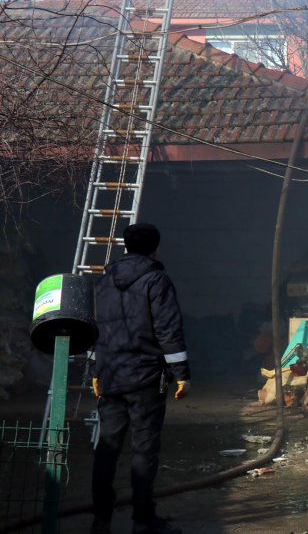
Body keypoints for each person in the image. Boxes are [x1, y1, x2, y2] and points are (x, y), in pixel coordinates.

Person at [90, 223, 190, 534]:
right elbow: (167, 329)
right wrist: (181, 375)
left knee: (107, 446)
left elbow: (99, 328)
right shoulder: (156, 279)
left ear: (124, 245)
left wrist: (96, 369)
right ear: (155, 248)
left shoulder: (104, 281)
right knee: (144, 449)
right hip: (145, 377)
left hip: (110, 375)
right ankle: (143, 521)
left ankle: (101, 520)